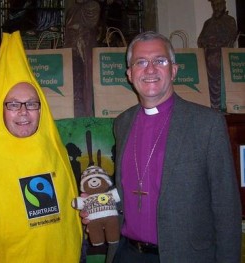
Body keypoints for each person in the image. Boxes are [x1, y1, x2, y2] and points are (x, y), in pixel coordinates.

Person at [83, 31, 242, 263]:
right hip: (127, 254)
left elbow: (227, 208)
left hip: (184, 256)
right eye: (141, 62)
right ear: (129, 74)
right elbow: (128, 188)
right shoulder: (123, 123)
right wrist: (99, 206)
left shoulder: (207, 124)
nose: (149, 69)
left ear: (174, 70)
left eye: (160, 61)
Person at [0, 31, 82, 262]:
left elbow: (73, 218)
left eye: (31, 103)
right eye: (13, 104)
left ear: (42, 109)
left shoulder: (59, 154)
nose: (23, 111)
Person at [197, 0, 237, 110]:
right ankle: (212, 106)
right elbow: (200, 40)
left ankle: (222, 105)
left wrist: (215, 43)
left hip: (221, 59)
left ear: (224, 4)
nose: (216, 7)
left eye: (219, 4)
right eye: (214, 5)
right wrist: (207, 44)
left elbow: (230, 38)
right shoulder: (208, 23)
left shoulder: (230, 21)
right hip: (209, 59)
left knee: (222, 83)